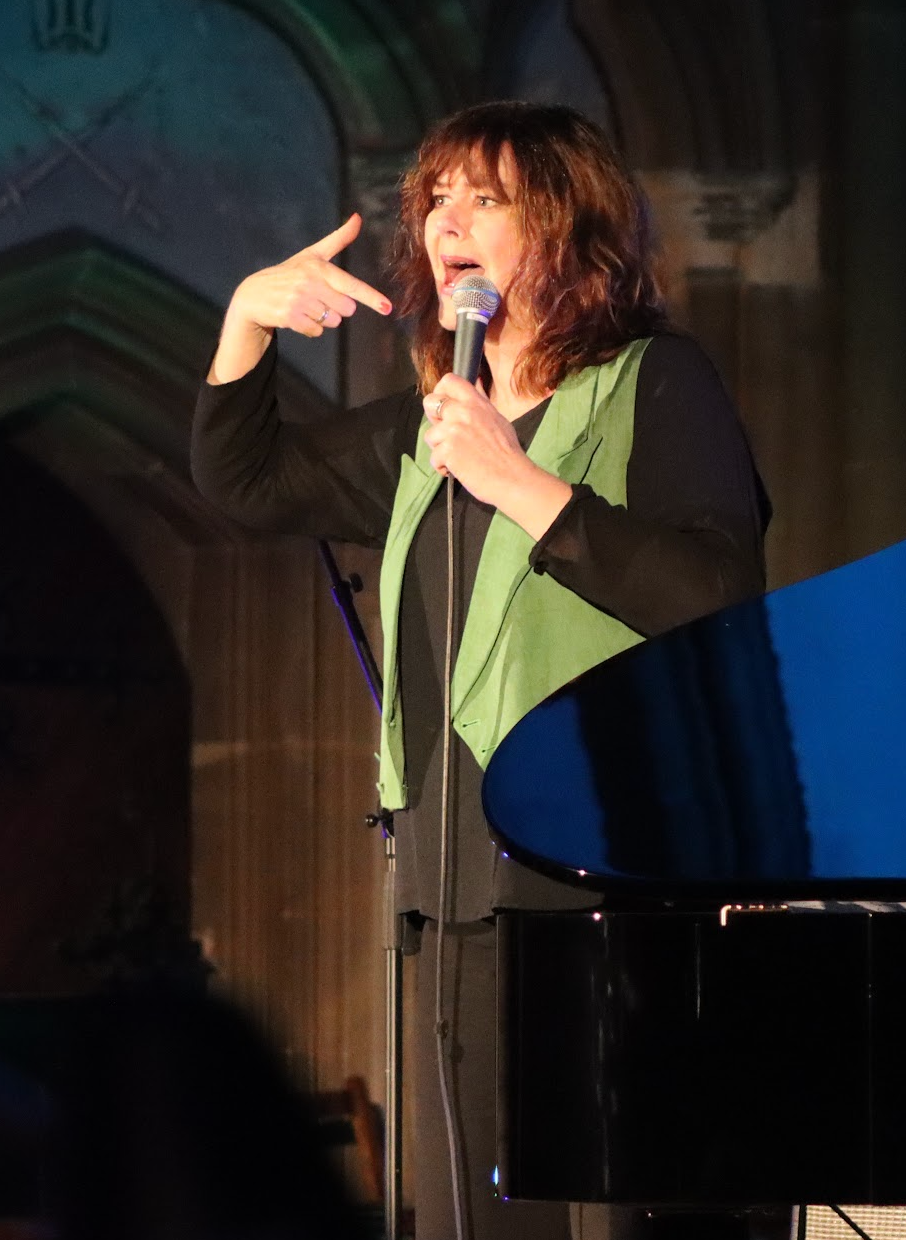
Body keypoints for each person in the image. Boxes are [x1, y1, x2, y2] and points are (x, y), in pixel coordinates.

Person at [191, 101, 771, 1240]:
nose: (448, 219)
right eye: (437, 198)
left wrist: (525, 486)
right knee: (470, 1217)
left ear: (563, 224)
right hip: (449, 889)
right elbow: (246, 482)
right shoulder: (431, 426)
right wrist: (245, 322)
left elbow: (718, 591)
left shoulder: (657, 381)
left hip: (606, 892)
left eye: (486, 197)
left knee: (611, 1212)